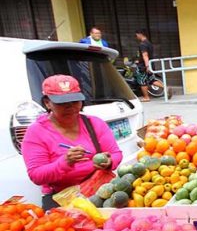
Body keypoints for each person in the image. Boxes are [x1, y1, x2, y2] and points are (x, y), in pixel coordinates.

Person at [21, 75, 123, 210]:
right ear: (47, 102)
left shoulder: (94, 123)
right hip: (62, 197)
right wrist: (65, 162)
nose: (70, 107)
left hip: (99, 192)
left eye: (75, 101)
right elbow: (36, 176)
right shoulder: (36, 132)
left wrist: (109, 162)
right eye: (61, 103)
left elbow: (115, 153)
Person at [134, 29, 166, 102]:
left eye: (136, 35)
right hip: (151, 64)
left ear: (140, 34)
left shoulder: (142, 44)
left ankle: (146, 97)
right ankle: (165, 88)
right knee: (151, 80)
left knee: (142, 81)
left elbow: (145, 55)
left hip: (144, 66)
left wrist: (147, 66)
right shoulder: (149, 43)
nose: (136, 37)